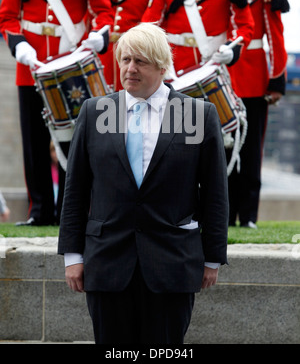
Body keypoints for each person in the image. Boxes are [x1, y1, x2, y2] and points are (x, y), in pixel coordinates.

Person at [58, 22, 229, 344]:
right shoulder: (96, 112)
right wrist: (73, 256)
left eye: (140, 62)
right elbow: (75, 189)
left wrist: (211, 258)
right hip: (106, 263)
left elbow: (215, 194)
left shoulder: (195, 114)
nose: (130, 69)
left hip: (172, 264)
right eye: (124, 60)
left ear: (162, 67)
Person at [0, 0, 114, 226]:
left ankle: (71, 210)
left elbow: (104, 13)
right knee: (35, 140)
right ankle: (39, 212)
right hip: (32, 67)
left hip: (71, 68)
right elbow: (7, 18)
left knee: (74, 140)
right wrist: (19, 45)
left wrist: (98, 36)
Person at [220, 0, 288, 228]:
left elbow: (275, 37)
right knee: (221, 153)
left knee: (250, 154)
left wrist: (277, 80)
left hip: (253, 80)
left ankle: (247, 216)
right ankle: (222, 215)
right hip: (219, 81)